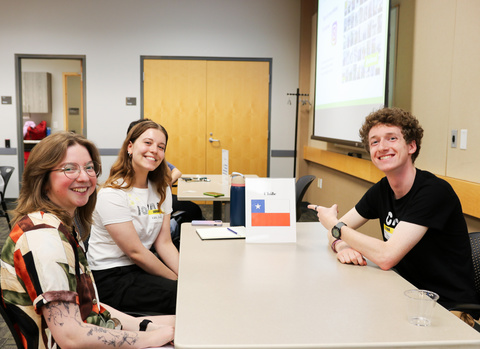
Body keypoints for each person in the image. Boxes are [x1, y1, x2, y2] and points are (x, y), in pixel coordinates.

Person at [0, 131, 174, 349]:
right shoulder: (44, 239)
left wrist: (147, 325)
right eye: (69, 168)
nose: (84, 177)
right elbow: (72, 337)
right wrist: (148, 338)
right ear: (42, 179)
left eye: (89, 167)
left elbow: (92, 310)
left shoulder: (62, 227)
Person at [308, 107, 479, 315]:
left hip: (446, 308)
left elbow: (386, 256)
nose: (382, 147)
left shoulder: (434, 192)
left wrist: (336, 227)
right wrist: (342, 246)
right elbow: (334, 230)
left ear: (411, 146)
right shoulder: (382, 190)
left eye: (391, 138)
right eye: (374, 142)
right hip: (405, 293)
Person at [87, 120, 179, 315]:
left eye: (161, 147)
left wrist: (185, 275)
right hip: (110, 276)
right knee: (183, 295)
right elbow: (135, 252)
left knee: (192, 288)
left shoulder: (161, 189)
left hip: (139, 268)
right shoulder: (112, 193)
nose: (154, 150)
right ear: (130, 146)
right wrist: (176, 280)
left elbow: (164, 243)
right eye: (148, 143)